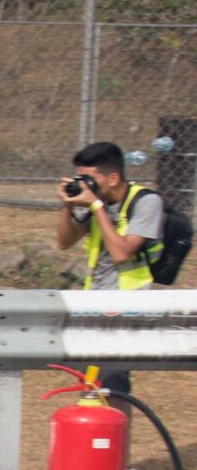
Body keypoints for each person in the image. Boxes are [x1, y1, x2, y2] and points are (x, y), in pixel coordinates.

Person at [56, 140, 167, 398]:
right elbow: (64, 242)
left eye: (89, 179)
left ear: (113, 178)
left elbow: (121, 253)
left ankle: (113, 437)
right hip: (94, 299)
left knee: (113, 384)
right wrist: (68, 205)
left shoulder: (146, 202)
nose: (85, 185)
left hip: (127, 303)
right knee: (91, 382)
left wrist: (96, 207)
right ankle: (97, 436)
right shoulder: (99, 202)